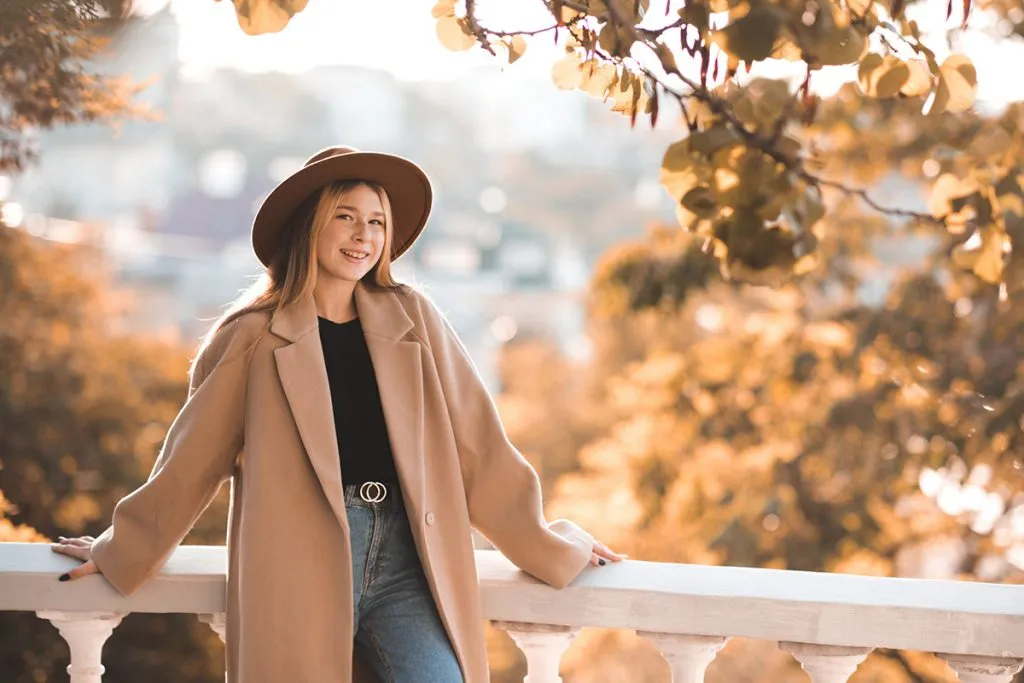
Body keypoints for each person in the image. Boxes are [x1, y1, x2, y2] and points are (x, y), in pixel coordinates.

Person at [50, 146, 626, 683]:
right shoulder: (253, 338)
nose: (364, 235)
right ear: (310, 224)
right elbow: (189, 464)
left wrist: (549, 545)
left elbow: (480, 447)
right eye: (346, 217)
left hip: (408, 564)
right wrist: (119, 551)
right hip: (298, 567)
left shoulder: (414, 319)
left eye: (376, 221)